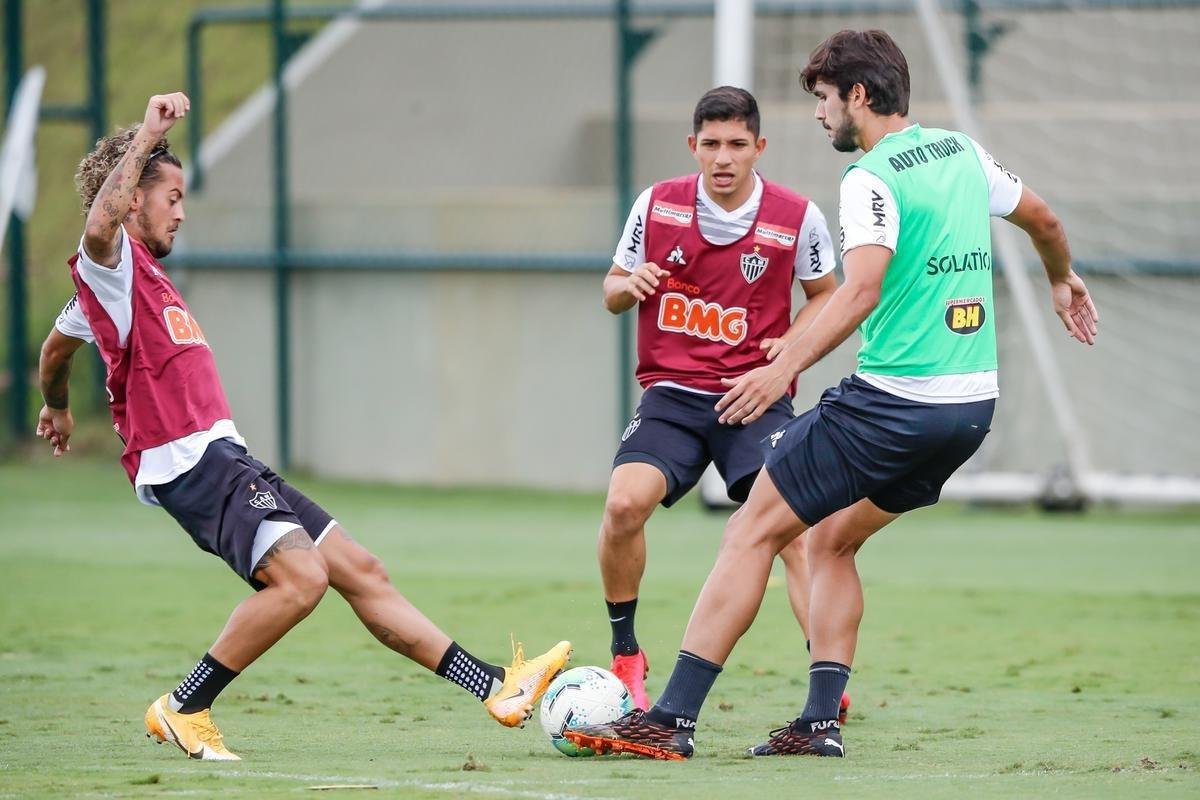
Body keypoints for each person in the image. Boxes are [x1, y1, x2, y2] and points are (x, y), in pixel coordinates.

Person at [567, 29, 1098, 760]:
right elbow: (1046, 220)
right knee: (831, 541)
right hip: (971, 411)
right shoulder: (961, 152)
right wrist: (1061, 277)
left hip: (890, 406)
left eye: (822, 100)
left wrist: (776, 369)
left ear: (858, 96)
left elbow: (859, 292)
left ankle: (671, 717)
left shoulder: (870, 177)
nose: (818, 116)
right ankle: (819, 724)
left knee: (752, 530)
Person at [36, 93, 571, 761]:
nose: (181, 209)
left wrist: (56, 404)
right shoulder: (112, 268)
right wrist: (147, 133)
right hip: (190, 463)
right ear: (133, 198)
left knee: (359, 569)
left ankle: (496, 686)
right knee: (302, 578)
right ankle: (184, 704)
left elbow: (56, 348)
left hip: (225, 456)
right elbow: (96, 230)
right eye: (169, 194)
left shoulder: (124, 284)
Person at [597, 86, 841, 712]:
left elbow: (827, 296)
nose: (724, 157)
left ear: (759, 147)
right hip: (672, 396)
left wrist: (786, 349)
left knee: (792, 535)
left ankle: (826, 682)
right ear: (693, 147)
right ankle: (627, 655)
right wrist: (633, 283)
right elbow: (612, 289)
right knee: (624, 505)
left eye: (737, 144)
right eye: (711, 144)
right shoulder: (656, 205)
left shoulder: (797, 216)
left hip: (753, 402)